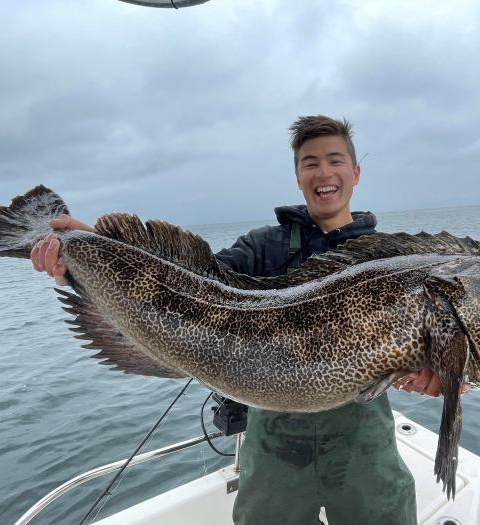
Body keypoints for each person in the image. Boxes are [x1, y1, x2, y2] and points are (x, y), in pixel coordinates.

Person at [31, 115, 449, 524]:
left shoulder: (390, 259)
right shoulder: (262, 247)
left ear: (355, 173)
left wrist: (440, 374)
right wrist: (92, 251)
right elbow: (185, 288)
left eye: (336, 160)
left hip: (364, 446)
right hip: (272, 448)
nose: (325, 172)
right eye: (311, 162)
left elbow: (431, 350)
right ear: (297, 176)